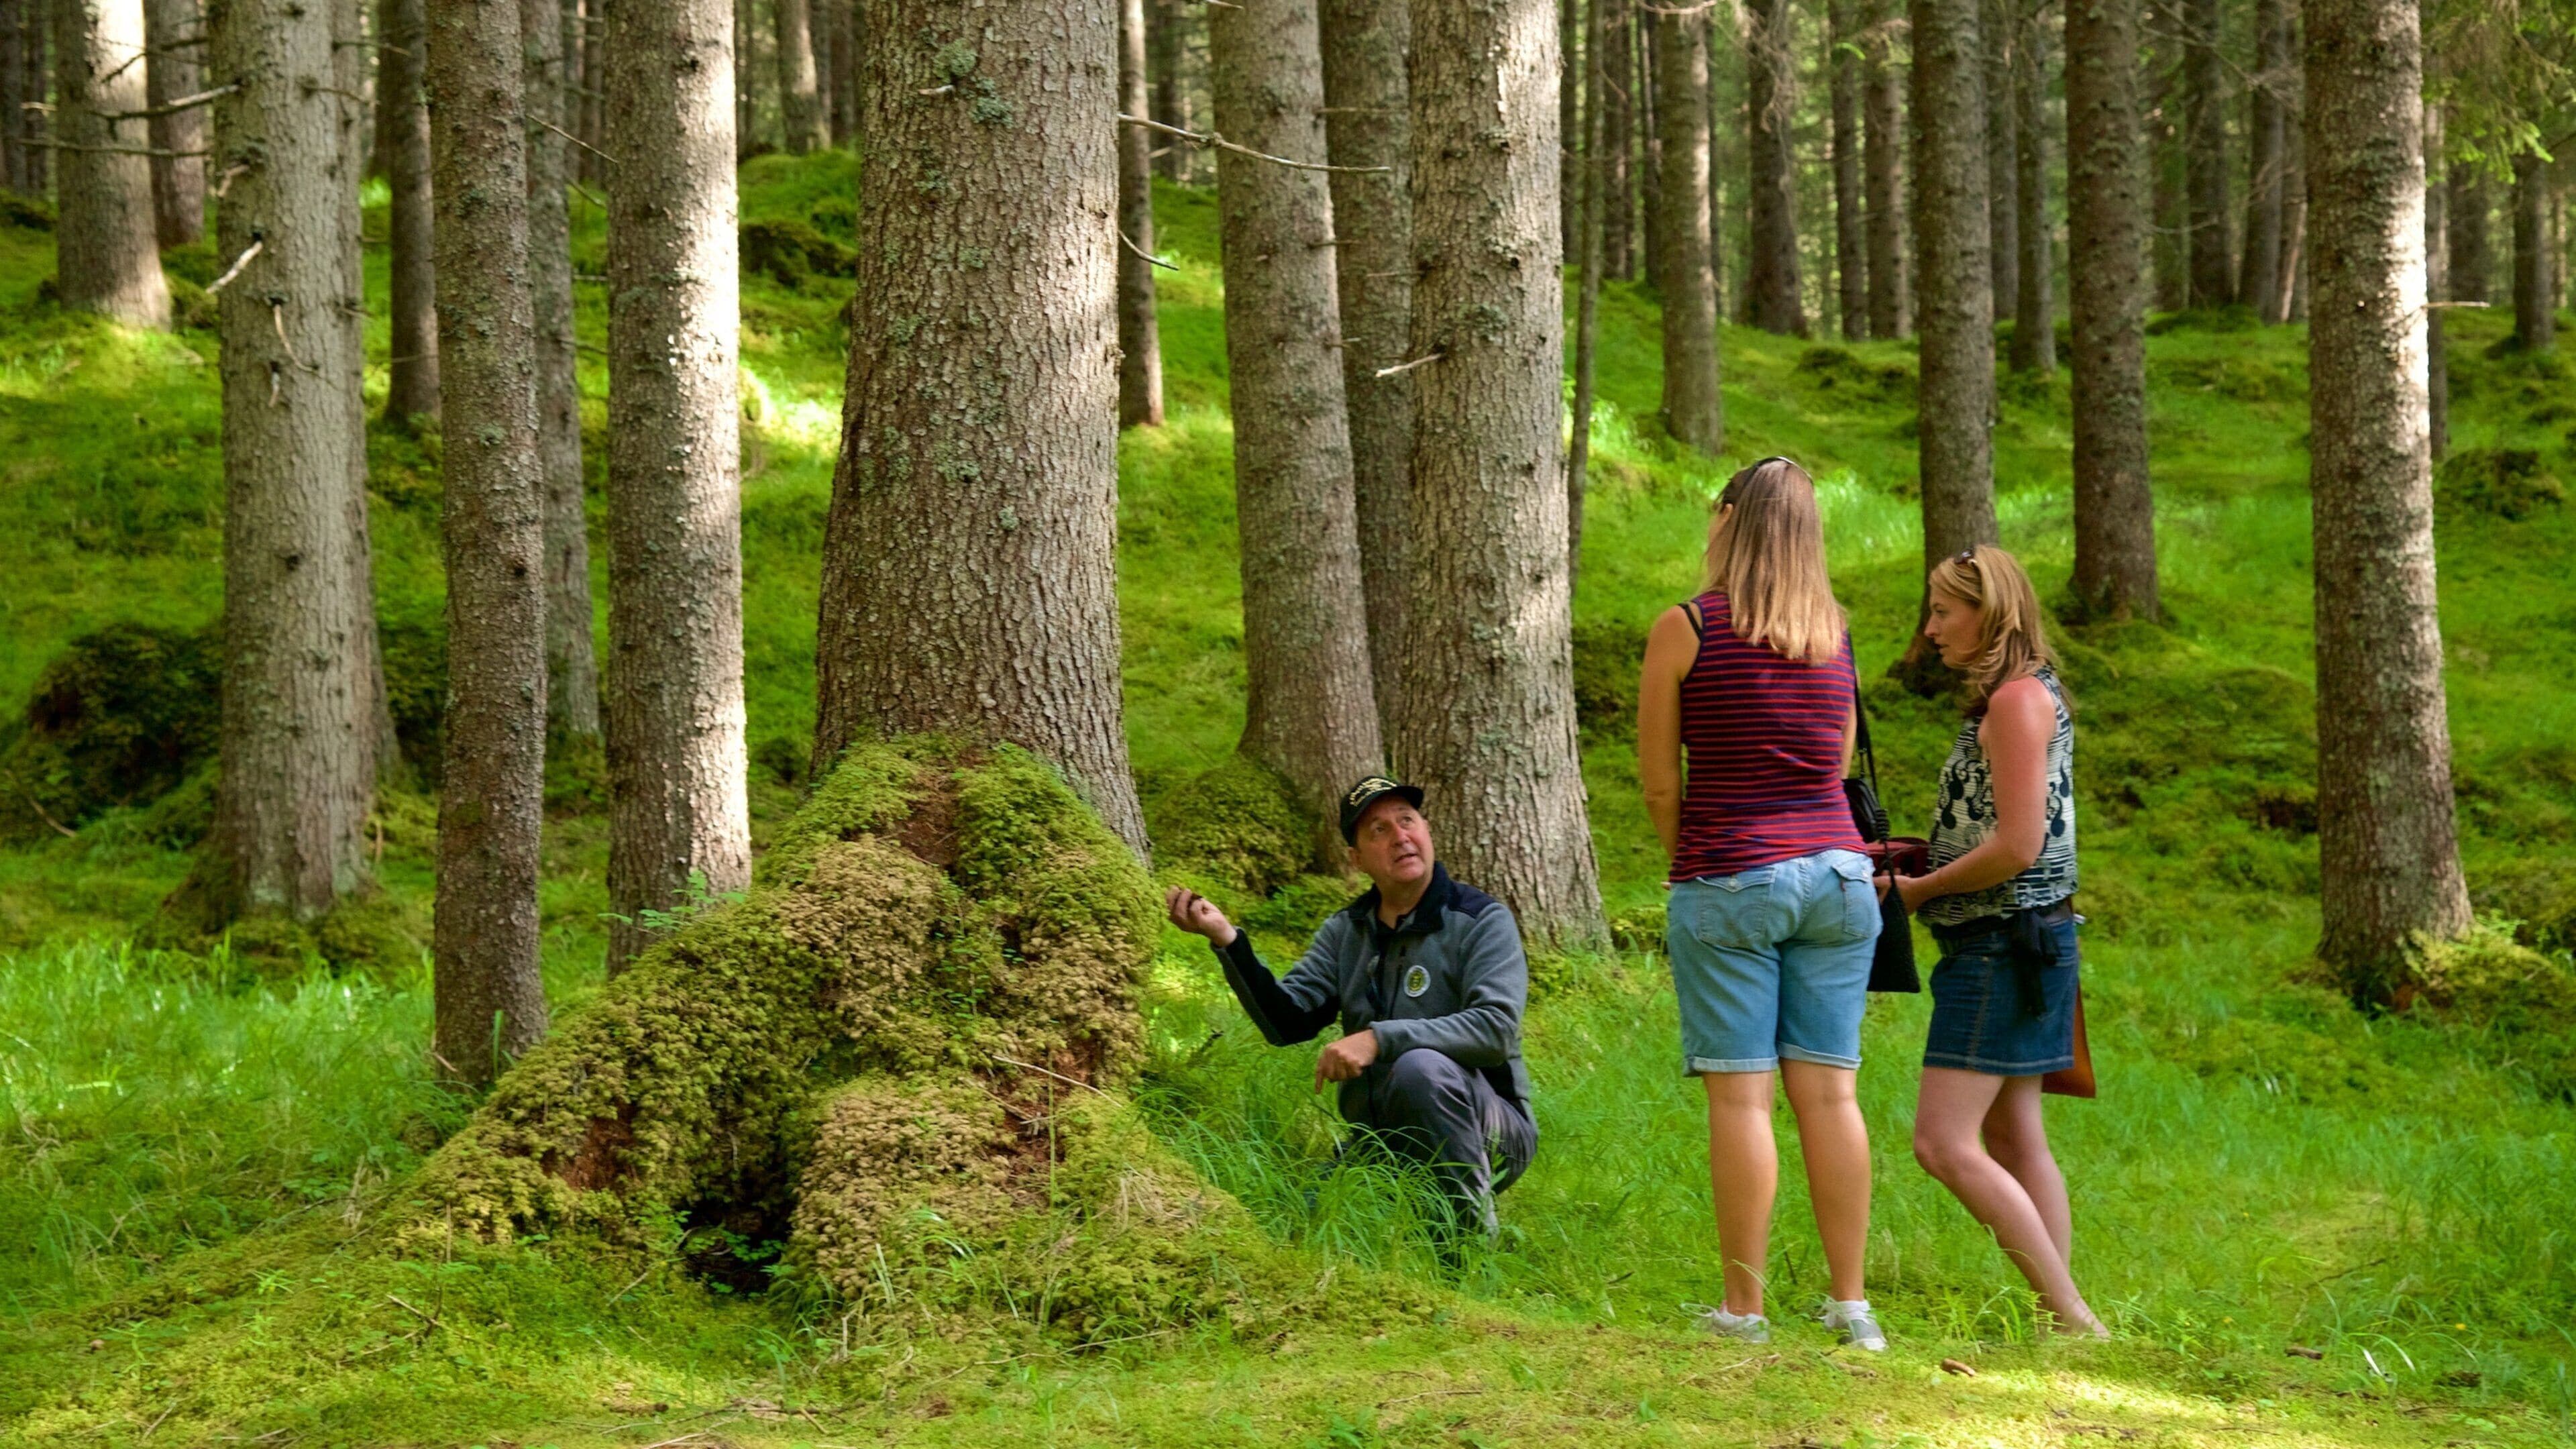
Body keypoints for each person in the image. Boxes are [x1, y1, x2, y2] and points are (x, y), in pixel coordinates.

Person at [1636, 456, 1885, 1352]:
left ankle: (1745, 1312)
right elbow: (1838, 765)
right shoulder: (1837, 633)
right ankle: (1852, 1309)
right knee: (1832, 1097)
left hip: (1730, 872)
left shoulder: (1686, 628)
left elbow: (1661, 784)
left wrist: (1700, 865)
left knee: (1744, 1104)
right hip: (1840, 882)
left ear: (1731, 517)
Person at [1884, 545, 2108, 1338]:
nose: (1932, 629)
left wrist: (1918, 890)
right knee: (2015, 1133)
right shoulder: (2026, 694)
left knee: (1943, 1143)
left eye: (1946, 611)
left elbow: (2016, 846)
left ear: (1993, 614)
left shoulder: (2016, 702)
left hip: (2002, 942)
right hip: (2026, 937)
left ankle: (2073, 1316)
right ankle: (2064, 1319)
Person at [1165, 775, 1536, 1246]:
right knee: (1298, 1226)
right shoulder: (1348, 931)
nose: (1400, 836)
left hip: (1495, 1130)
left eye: (1407, 820)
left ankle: (1466, 1247)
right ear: (1357, 859)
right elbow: (1288, 1022)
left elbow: (1496, 1029)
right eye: (1378, 830)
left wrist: (1379, 1038)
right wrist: (1227, 941)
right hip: (1382, 1138)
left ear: (1427, 831)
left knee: (1421, 1067)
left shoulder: (1481, 920)